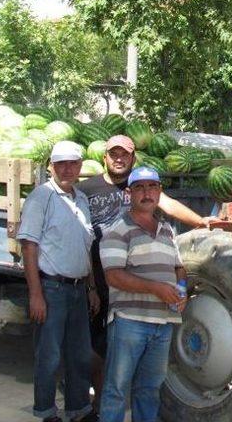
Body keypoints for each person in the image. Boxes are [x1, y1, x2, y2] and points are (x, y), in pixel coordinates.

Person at [76, 134, 213, 410]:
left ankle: (101, 403)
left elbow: (169, 206)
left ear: (132, 157)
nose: (118, 158)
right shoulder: (88, 189)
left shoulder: (146, 197)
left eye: (124, 154)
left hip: (135, 291)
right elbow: (79, 235)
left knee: (141, 380)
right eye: (113, 153)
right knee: (96, 352)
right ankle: (91, 403)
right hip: (100, 280)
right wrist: (90, 286)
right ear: (104, 157)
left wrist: (201, 222)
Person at [17, 141, 99, 422]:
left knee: (80, 356)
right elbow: (29, 246)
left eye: (72, 163)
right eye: (60, 164)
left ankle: (79, 409)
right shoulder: (41, 197)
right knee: (49, 357)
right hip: (51, 289)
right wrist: (35, 294)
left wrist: (90, 288)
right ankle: (46, 412)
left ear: (80, 167)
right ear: (51, 166)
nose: (66, 169)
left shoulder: (82, 200)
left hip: (78, 290)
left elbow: (83, 246)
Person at [99, 167, 186, 422]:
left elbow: (179, 267)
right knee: (116, 388)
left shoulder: (168, 230)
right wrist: (156, 288)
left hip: (163, 324)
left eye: (152, 187)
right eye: (140, 187)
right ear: (129, 194)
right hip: (130, 321)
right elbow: (113, 276)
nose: (147, 193)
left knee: (150, 390)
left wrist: (181, 290)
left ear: (159, 191)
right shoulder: (118, 229)